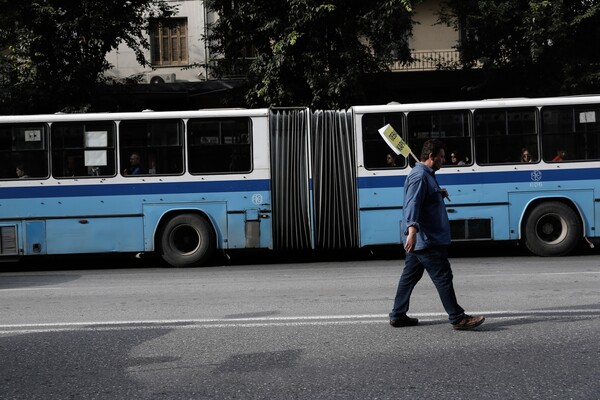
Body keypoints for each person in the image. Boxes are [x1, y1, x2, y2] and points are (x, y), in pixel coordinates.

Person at [389, 139, 485, 330]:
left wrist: (437, 193)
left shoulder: (427, 175)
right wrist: (413, 230)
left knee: (409, 277)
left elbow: (424, 200)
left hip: (424, 240)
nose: (444, 160)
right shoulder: (419, 176)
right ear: (431, 156)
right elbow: (412, 204)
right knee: (443, 276)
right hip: (427, 239)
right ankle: (457, 318)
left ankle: (398, 315)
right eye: (441, 157)